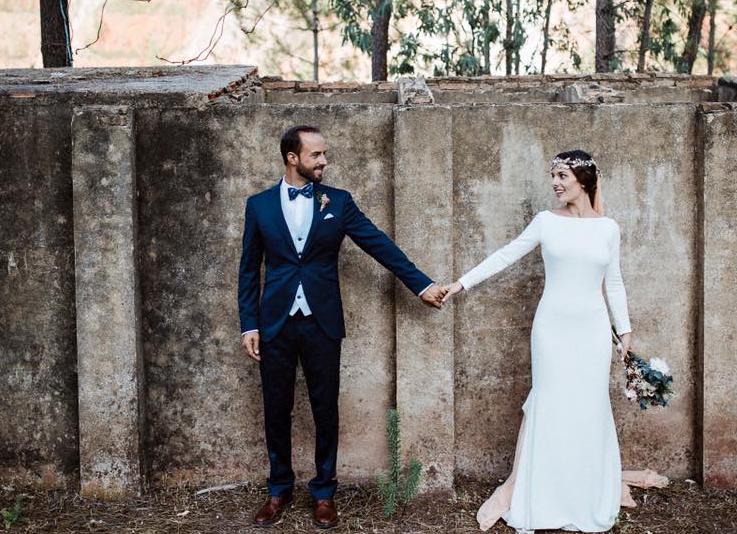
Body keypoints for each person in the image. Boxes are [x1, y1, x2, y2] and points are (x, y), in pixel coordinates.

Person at [238, 125, 445, 529]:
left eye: (324, 154)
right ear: (292, 158)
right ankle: (278, 489)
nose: (324, 162)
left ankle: (323, 493)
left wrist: (421, 285)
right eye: (316, 155)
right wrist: (249, 325)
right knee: (275, 411)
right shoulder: (258, 206)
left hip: (322, 323)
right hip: (275, 323)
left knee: (324, 409)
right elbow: (248, 271)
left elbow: (379, 244)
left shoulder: (339, 202)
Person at [441, 149, 633, 533]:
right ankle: (544, 497)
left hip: (593, 331)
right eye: (553, 176)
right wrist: (461, 283)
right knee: (551, 405)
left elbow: (613, 281)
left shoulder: (608, 228)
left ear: (583, 180)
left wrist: (624, 329)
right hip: (552, 330)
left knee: (589, 406)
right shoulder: (546, 221)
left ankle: (585, 496)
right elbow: (505, 255)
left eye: (561, 176)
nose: (555, 183)